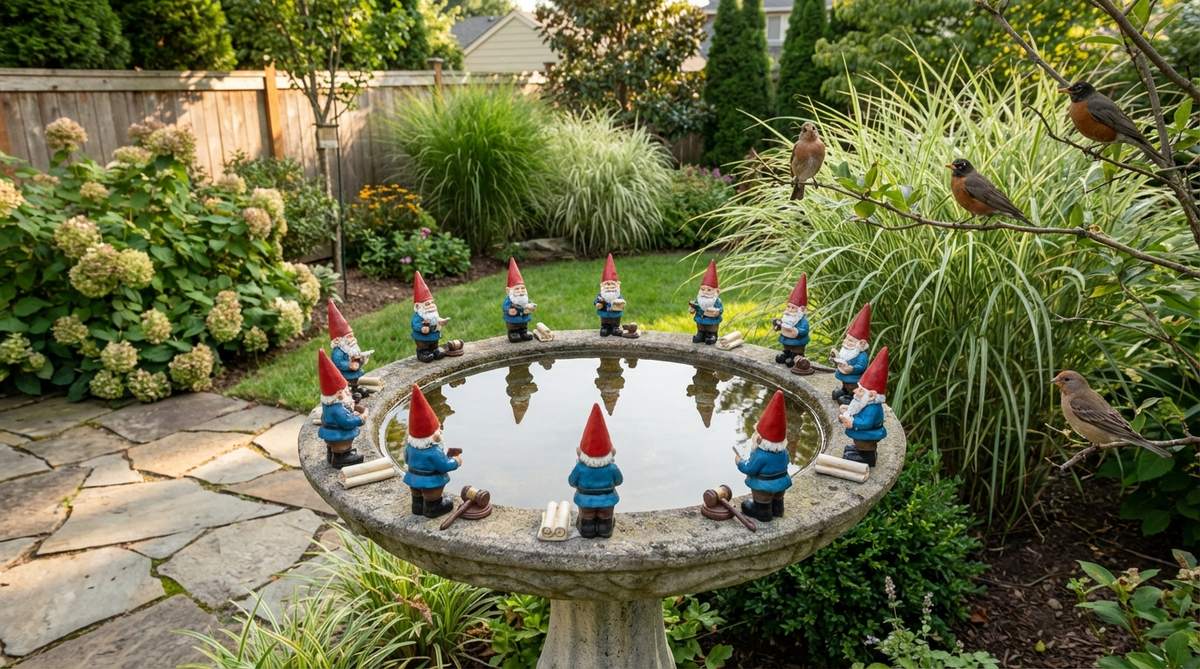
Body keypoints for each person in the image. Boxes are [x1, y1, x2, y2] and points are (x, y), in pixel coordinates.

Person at [568, 403, 624, 538]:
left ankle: (587, 528)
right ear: (610, 452)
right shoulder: (612, 468)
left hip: (585, 499)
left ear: (581, 453)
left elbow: (572, 481)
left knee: (587, 515)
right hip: (608, 499)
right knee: (606, 515)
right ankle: (605, 528)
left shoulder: (580, 468)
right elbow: (619, 481)